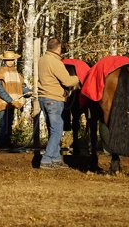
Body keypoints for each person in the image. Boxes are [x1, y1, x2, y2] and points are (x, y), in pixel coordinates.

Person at [37, 38, 80, 169]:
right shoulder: (55, 62)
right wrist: (79, 77)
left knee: (52, 129)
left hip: (43, 97)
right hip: (54, 99)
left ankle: (56, 159)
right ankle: (46, 158)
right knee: (57, 130)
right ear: (58, 48)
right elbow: (67, 81)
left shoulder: (42, 59)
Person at [0, 50, 31, 151]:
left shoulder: (16, 73)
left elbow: (19, 87)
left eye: (12, 60)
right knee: (2, 124)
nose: (10, 62)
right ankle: (0, 145)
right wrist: (10, 100)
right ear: (4, 60)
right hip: (4, 103)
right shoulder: (0, 72)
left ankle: (7, 144)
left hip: (13, 103)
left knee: (9, 123)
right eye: (8, 60)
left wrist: (28, 92)